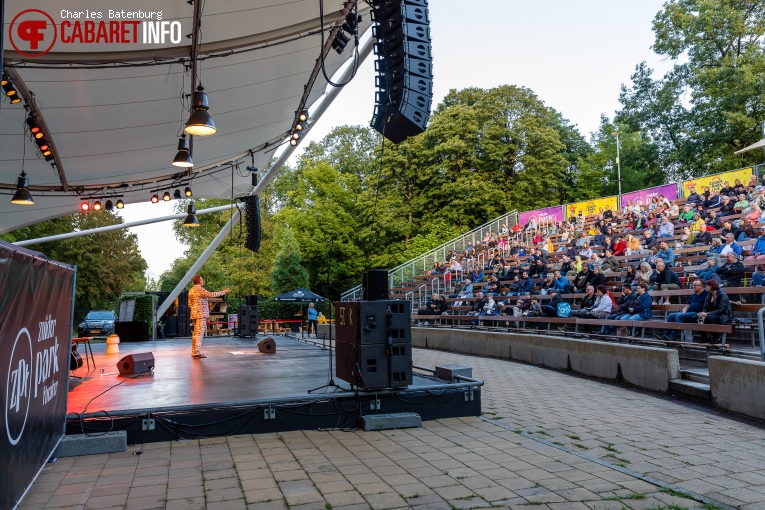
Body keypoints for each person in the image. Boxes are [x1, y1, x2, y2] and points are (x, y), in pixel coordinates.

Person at [188, 275, 231, 358]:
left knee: (196, 333)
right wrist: (223, 292)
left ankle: (194, 351)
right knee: (199, 333)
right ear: (200, 281)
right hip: (201, 314)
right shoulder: (199, 289)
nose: (203, 281)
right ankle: (196, 351)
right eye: (202, 279)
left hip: (194, 314)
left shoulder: (191, 290)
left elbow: (189, 304)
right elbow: (210, 294)